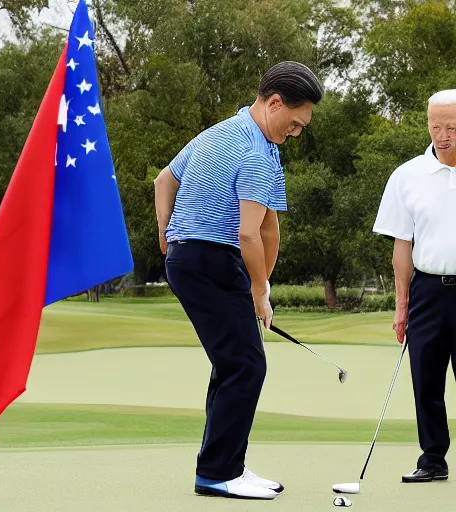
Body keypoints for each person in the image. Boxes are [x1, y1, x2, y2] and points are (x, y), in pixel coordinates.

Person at [154, 61, 323, 499]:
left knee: (233, 363)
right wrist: (260, 291)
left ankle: (226, 465)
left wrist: (167, 235)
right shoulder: (256, 151)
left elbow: (163, 182)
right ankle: (217, 472)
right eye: (296, 122)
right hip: (211, 260)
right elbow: (251, 233)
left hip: (190, 259)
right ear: (273, 103)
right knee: (246, 365)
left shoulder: (218, 133)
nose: (296, 132)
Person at [373, 89, 456, 483]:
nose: (443, 135)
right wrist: (402, 306)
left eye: (452, 127)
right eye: (436, 126)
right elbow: (401, 249)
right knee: (426, 380)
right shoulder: (406, 176)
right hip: (429, 291)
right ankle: (432, 460)